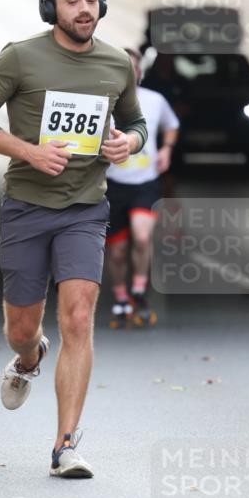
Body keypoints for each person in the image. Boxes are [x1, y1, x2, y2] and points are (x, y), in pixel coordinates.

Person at [0, 0, 147, 478]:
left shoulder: (116, 64)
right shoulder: (20, 58)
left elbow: (135, 123)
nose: (84, 8)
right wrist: (29, 151)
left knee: (80, 318)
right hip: (26, 206)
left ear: (101, 4)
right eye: (72, 0)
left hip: (86, 208)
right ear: (51, 7)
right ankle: (28, 358)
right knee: (22, 327)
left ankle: (66, 445)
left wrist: (125, 142)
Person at [105, 47, 179, 327]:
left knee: (143, 236)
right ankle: (121, 298)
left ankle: (138, 290)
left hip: (145, 184)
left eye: (133, 67)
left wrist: (167, 150)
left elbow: (172, 125)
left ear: (140, 71)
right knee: (118, 251)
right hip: (111, 185)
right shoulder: (103, 103)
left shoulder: (155, 100)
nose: (129, 72)